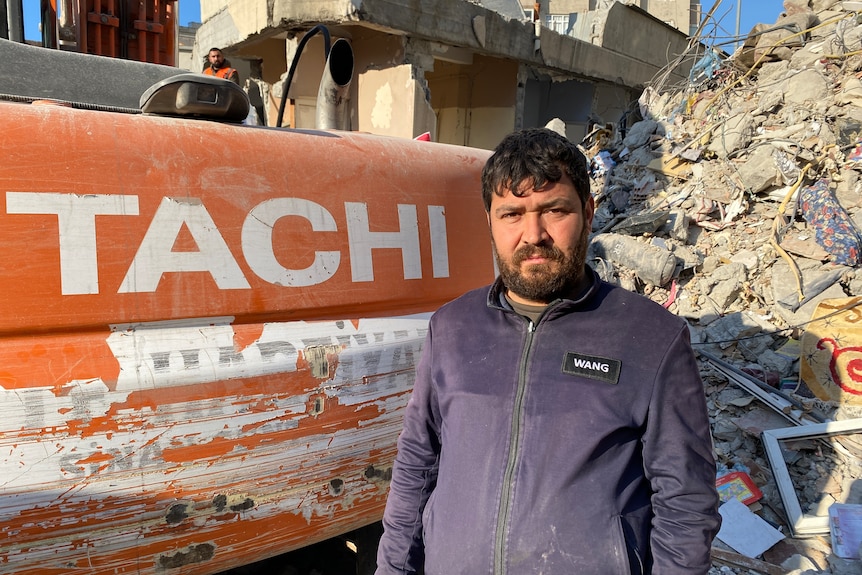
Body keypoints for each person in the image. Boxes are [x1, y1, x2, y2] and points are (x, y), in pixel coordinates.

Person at [375, 127, 721, 574]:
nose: (532, 234)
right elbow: (417, 465)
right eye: (511, 214)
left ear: (588, 213)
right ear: (490, 223)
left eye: (553, 210)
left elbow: (686, 503)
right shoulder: (452, 328)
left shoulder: (651, 337)